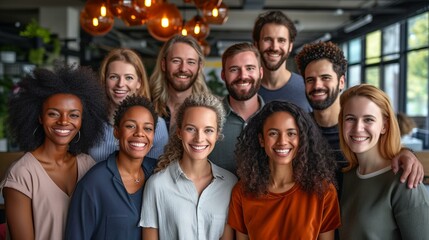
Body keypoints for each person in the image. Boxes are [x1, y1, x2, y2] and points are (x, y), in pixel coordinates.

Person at [295, 41, 423, 189]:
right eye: (310, 80)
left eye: (325, 78)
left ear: (341, 82)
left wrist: (407, 153)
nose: (317, 86)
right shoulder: (298, 128)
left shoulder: (358, 130)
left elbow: (388, 148)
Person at [1, 64, 107, 240]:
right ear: (40, 117)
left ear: (83, 120)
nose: (64, 122)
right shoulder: (22, 174)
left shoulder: (87, 165)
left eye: (73, 115)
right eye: (53, 114)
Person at [228, 101, 340, 239]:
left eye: (291, 133)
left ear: (302, 139)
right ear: (261, 140)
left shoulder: (323, 191)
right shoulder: (242, 192)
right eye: (273, 133)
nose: (282, 141)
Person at [140, 93, 237, 240]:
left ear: (217, 135)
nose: (199, 138)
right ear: (179, 132)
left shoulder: (230, 184)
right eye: (191, 129)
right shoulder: (157, 185)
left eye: (208, 130)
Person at [338, 84, 429, 239]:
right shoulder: (346, 176)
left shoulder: (405, 180)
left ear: (384, 126)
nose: (358, 128)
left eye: (368, 119)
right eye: (350, 119)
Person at [65, 95, 158, 239]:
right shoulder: (93, 184)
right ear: (116, 131)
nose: (140, 133)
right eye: (130, 126)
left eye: (148, 128)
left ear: (153, 136)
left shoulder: (158, 172)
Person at [89, 48, 168, 162]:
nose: (120, 84)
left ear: (139, 83)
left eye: (129, 78)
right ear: (104, 80)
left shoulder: (157, 125)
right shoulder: (91, 121)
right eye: (113, 77)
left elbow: (156, 170)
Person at [209, 42, 264, 174]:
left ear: (260, 73)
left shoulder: (274, 119)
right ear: (223, 75)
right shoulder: (209, 118)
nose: (243, 76)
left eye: (250, 68)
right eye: (234, 69)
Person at [252, 10, 311, 112]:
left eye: (281, 40)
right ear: (256, 45)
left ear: (290, 46)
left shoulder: (307, 88)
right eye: (268, 39)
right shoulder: (247, 90)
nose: (274, 47)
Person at [150, 34, 210, 131]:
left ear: (199, 67)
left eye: (190, 62)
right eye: (176, 61)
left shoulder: (210, 110)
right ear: (164, 65)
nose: (183, 69)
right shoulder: (147, 104)